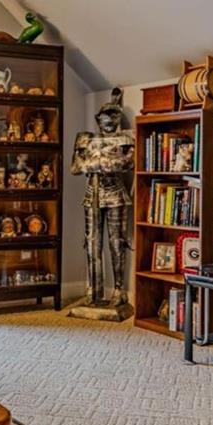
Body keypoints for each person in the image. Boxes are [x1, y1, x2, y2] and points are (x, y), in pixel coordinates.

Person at [70, 88, 134, 308]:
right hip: (92, 195)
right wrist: (104, 163)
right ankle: (93, 289)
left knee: (117, 243)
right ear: (98, 119)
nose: (109, 121)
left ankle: (119, 289)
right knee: (91, 243)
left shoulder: (126, 138)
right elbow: (76, 167)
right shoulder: (86, 139)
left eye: (114, 116)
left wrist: (98, 163)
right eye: (105, 117)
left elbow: (128, 164)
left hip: (116, 194)